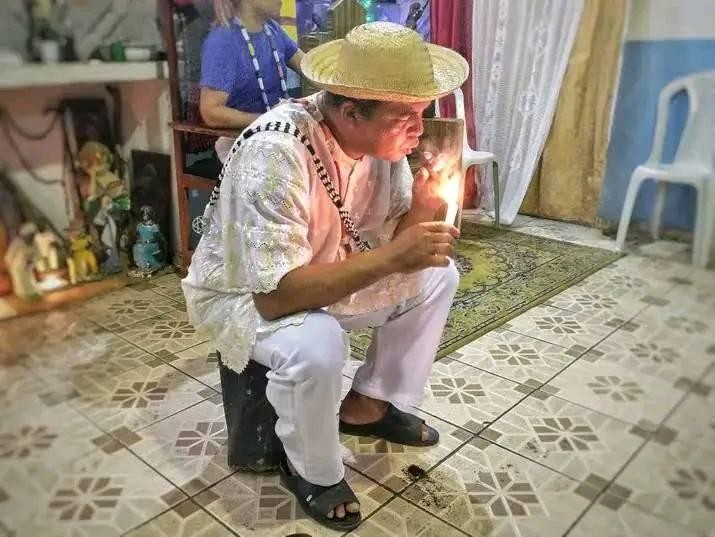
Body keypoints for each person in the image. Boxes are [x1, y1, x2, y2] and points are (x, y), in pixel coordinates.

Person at [183, 22, 468, 531]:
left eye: (422, 114)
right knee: (316, 343)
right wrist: (393, 257)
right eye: (405, 117)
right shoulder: (277, 151)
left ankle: (368, 405)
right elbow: (274, 298)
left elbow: (392, 242)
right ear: (350, 111)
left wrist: (424, 206)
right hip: (247, 295)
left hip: (330, 273)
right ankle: (312, 470)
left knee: (438, 275)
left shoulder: (382, 149)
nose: (418, 130)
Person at [200, 0, 304, 129]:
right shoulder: (223, 42)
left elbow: (310, 68)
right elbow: (211, 113)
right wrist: (271, 119)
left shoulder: (272, 29)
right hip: (242, 137)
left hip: (275, 129)